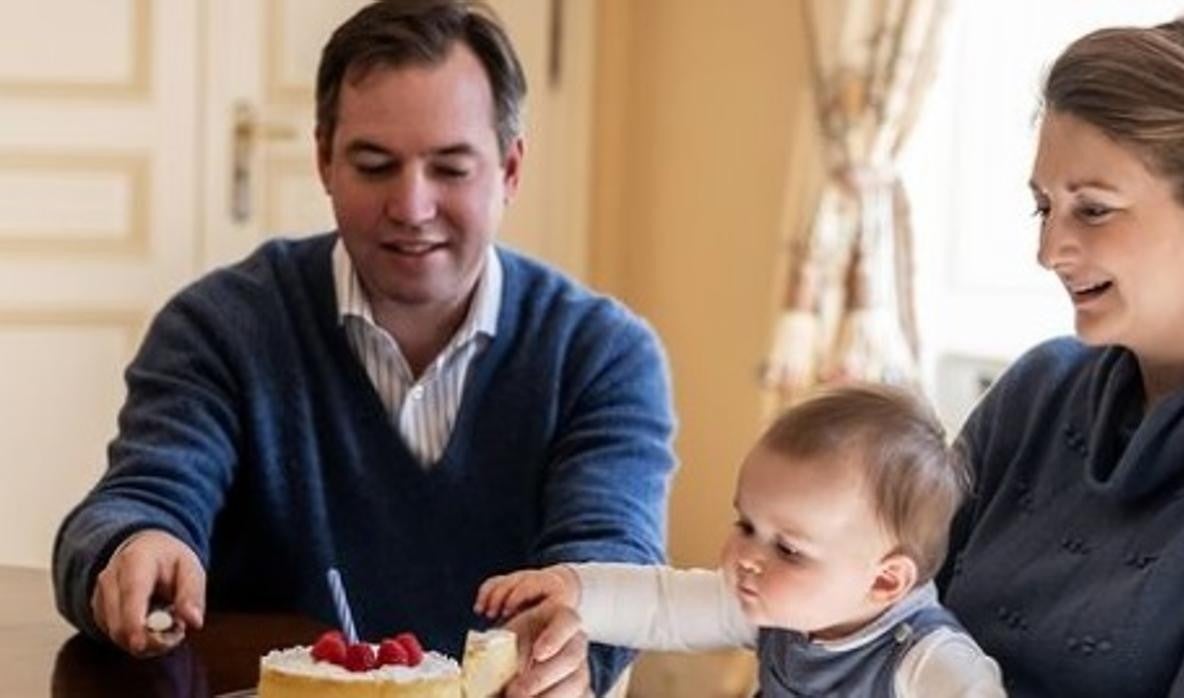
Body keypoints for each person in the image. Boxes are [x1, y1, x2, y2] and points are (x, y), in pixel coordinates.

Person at [51, 1, 676, 695]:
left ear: (510, 168)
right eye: (375, 165)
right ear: (324, 160)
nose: (411, 206)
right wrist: (132, 546)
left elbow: (614, 566)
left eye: (451, 169)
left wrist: (578, 642)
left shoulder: (603, 354)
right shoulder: (219, 326)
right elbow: (133, 502)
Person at [937, 1, 1184, 695]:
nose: (1049, 250)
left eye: (1094, 208)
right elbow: (870, 616)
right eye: (1043, 206)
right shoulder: (1035, 394)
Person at [477, 385, 1005, 697]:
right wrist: (571, 589)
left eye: (789, 549)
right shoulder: (771, 607)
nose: (748, 558)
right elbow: (662, 606)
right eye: (747, 525)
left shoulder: (930, 661)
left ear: (885, 579)